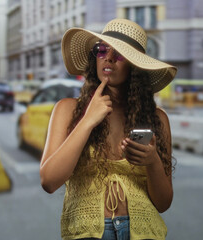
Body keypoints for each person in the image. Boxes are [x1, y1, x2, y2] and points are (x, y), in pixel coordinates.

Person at [40, 18, 177, 240]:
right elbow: (49, 181)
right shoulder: (67, 109)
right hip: (87, 233)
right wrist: (87, 120)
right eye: (101, 50)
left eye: (120, 54)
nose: (109, 57)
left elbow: (163, 204)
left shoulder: (156, 119)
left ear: (135, 65)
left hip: (143, 232)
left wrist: (152, 162)